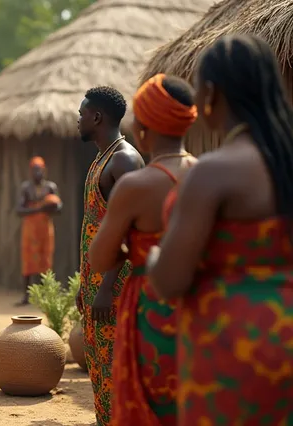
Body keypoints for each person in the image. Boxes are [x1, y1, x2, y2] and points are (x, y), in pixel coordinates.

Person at [147, 34, 293, 425]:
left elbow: (170, 280)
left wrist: (155, 255)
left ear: (210, 93)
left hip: (232, 342)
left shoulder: (212, 173)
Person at [87, 74, 197, 425]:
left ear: (144, 127)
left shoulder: (136, 182)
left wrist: (133, 247)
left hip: (150, 302)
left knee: (145, 392)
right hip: (198, 298)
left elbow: (100, 256)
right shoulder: (208, 175)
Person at [76, 85, 145, 425]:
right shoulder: (102, 159)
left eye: (82, 114)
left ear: (97, 117)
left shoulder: (125, 161)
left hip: (114, 289)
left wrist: (105, 286)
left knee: (117, 365)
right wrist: (85, 284)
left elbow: (134, 231)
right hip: (96, 284)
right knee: (101, 367)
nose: (78, 120)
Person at [15, 156, 62, 306]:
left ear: (44, 170)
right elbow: (19, 210)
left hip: (45, 228)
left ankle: (46, 296)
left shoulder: (50, 187)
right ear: (30, 171)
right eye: (34, 170)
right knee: (28, 259)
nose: (37, 173)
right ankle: (26, 296)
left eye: (39, 169)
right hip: (30, 228)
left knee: (45, 259)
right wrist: (40, 208)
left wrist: (52, 207)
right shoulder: (26, 188)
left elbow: (59, 207)